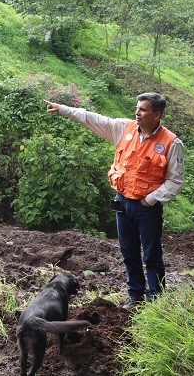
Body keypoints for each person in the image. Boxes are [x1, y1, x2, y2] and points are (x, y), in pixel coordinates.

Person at [45, 93, 184, 310]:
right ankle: (135, 296)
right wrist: (62, 108)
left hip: (147, 208)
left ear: (157, 114)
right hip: (122, 202)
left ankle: (155, 300)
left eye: (143, 110)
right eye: (137, 108)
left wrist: (150, 200)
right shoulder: (123, 128)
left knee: (152, 255)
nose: (137, 112)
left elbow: (175, 180)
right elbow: (91, 118)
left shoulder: (171, 142)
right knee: (129, 253)